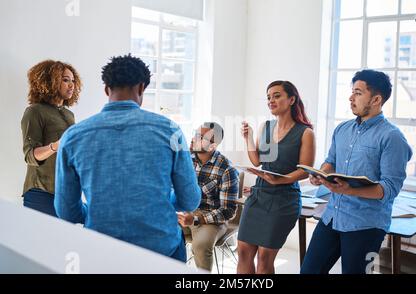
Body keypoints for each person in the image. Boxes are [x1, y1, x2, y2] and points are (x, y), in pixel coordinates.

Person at [54, 54, 201, 262]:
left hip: (102, 252)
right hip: (162, 250)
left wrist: (97, 207)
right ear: (141, 88)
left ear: (106, 89)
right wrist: (157, 200)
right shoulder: (170, 130)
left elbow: (66, 212)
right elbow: (190, 199)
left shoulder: (72, 137)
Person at [300, 69, 412, 274]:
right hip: (332, 217)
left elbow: (389, 189)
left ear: (376, 99)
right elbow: (330, 162)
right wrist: (320, 174)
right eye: (352, 91)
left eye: (358, 93)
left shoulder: (393, 137)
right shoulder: (342, 129)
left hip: (366, 226)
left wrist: (348, 190)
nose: (351, 97)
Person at [238, 80, 316, 274]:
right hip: (259, 196)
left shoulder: (305, 133)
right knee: (243, 252)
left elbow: (305, 170)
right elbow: (256, 161)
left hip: (284, 199)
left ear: (291, 99)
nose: (271, 100)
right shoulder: (266, 127)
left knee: (265, 257)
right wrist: (248, 138)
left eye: (277, 96)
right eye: (269, 97)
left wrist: (280, 180)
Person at [21, 60, 82, 216]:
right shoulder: (34, 112)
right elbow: (30, 155)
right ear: (51, 81)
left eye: (73, 81)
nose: (71, 85)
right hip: (40, 193)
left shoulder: (69, 114)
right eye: (65, 80)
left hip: (65, 193)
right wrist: (55, 146)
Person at [178, 122, 239, 271]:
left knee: (201, 245)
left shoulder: (226, 169)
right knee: (160, 232)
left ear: (213, 145)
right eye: (195, 134)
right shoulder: (185, 158)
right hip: (185, 213)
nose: (193, 139)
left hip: (211, 219)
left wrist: (196, 219)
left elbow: (228, 211)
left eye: (200, 137)